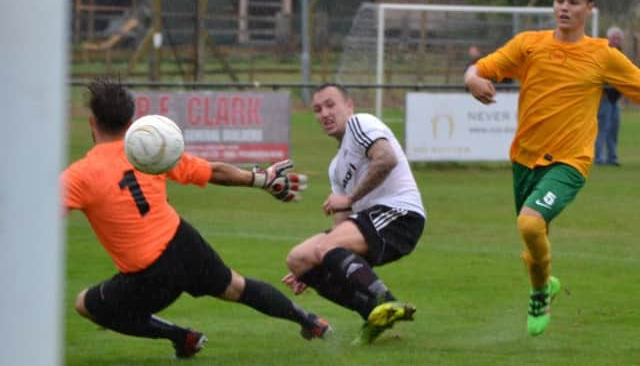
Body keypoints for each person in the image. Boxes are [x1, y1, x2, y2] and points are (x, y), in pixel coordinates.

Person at [61, 78, 331, 359]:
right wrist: (261, 179)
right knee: (238, 287)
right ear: (131, 124)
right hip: (183, 242)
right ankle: (310, 321)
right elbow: (214, 172)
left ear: (92, 123)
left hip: (148, 275)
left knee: (86, 304)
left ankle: (182, 337)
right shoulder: (149, 153)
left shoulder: (80, 175)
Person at [464, 0, 640, 336]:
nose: (564, 8)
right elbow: (481, 68)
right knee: (533, 240)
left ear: (589, 9)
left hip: (570, 162)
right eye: (560, 1)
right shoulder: (529, 44)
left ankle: (540, 292)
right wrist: (472, 79)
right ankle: (543, 288)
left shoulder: (603, 55)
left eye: (574, 2)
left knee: (529, 222)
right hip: (524, 160)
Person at [281, 83, 426, 344]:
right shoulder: (336, 167)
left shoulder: (360, 124)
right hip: (371, 222)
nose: (324, 113)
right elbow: (342, 224)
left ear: (349, 106)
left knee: (326, 247)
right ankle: (374, 315)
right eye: (317, 109)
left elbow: (386, 159)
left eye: (330, 104)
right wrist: (314, 270)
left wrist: (349, 198)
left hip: (400, 214)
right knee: (299, 259)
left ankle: (386, 301)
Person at [594, 26, 625, 165]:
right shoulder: (602, 53)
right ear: (608, 38)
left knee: (614, 129)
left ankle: (612, 158)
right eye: (614, 37)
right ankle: (598, 158)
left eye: (618, 38)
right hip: (604, 98)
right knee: (602, 129)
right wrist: (603, 91)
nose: (616, 40)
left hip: (615, 99)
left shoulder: (621, 54)